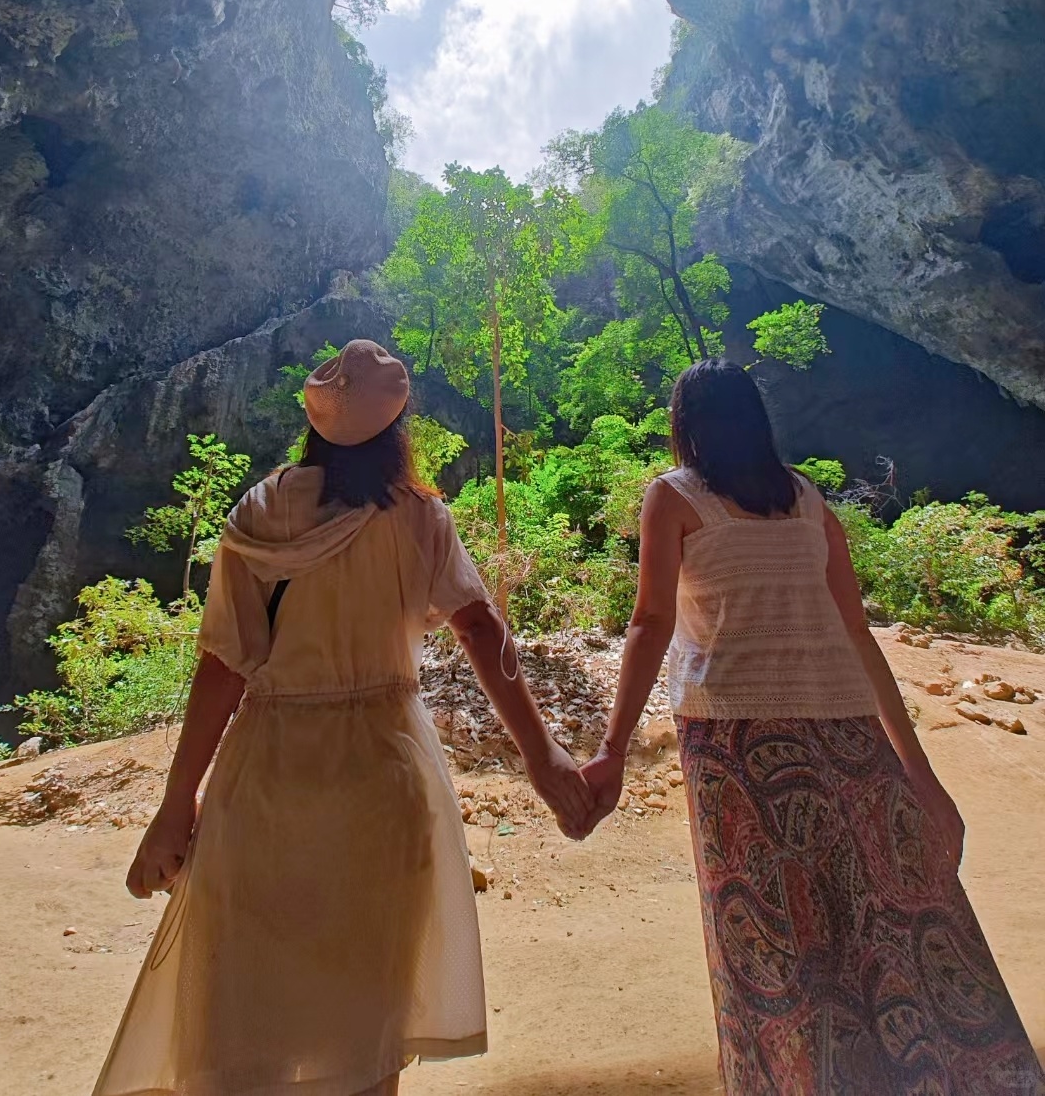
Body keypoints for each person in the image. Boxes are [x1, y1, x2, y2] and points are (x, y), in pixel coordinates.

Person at [93, 340, 591, 1096]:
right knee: (367, 1018)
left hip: (268, 774)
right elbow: (481, 629)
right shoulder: (420, 516)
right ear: (398, 429)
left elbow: (223, 665)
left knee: (245, 1007)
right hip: (381, 773)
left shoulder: (259, 513)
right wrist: (543, 755)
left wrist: (174, 806)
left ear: (316, 421)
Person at [581, 358, 1045, 1096]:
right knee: (890, 919)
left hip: (736, 741)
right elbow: (858, 634)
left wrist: (610, 752)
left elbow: (649, 622)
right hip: (847, 733)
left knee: (772, 939)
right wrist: (921, 780)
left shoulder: (673, 497)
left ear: (685, 426)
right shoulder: (804, 498)